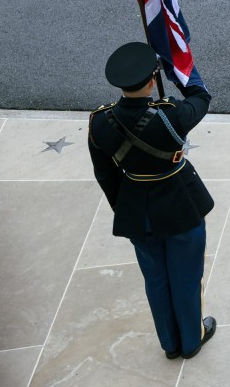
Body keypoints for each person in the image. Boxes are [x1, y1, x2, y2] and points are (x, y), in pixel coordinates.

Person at [88, 42, 217, 361]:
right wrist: (182, 68)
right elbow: (201, 96)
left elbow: (105, 174)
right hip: (179, 204)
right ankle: (191, 340)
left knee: (156, 279)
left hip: (136, 206)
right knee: (186, 277)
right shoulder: (170, 115)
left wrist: (127, 206)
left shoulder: (100, 122)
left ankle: (169, 343)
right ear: (152, 79)